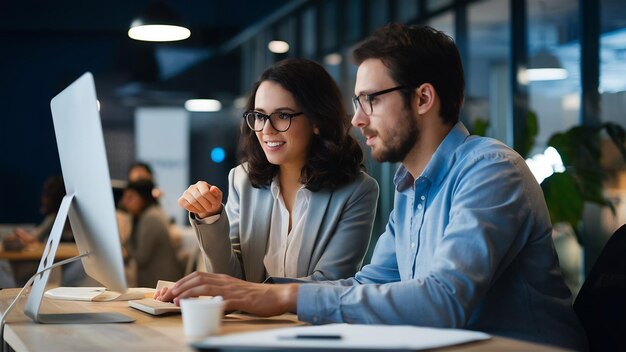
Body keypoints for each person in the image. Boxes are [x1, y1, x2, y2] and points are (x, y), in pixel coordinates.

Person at [156, 24, 586, 351]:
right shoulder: (411, 188)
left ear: (422, 98)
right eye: (358, 102)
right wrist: (251, 292)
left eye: (371, 101)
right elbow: (367, 284)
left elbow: (444, 301)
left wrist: (280, 295)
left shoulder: (491, 171)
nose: (358, 120)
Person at [177, 58, 379, 282]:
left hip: (313, 318)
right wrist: (210, 217)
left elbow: (330, 283)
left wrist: (252, 294)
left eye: (283, 115)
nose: (266, 129)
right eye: (260, 116)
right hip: (246, 318)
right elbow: (229, 279)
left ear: (317, 120)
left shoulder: (358, 190)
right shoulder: (241, 179)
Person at [120, 179, 183, 287]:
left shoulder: (150, 218)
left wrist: (124, 241)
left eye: (130, 197)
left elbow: (141, 258)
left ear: (142, 198)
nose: (124, 202)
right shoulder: (149, 214)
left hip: (161, 284)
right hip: (158, 281)